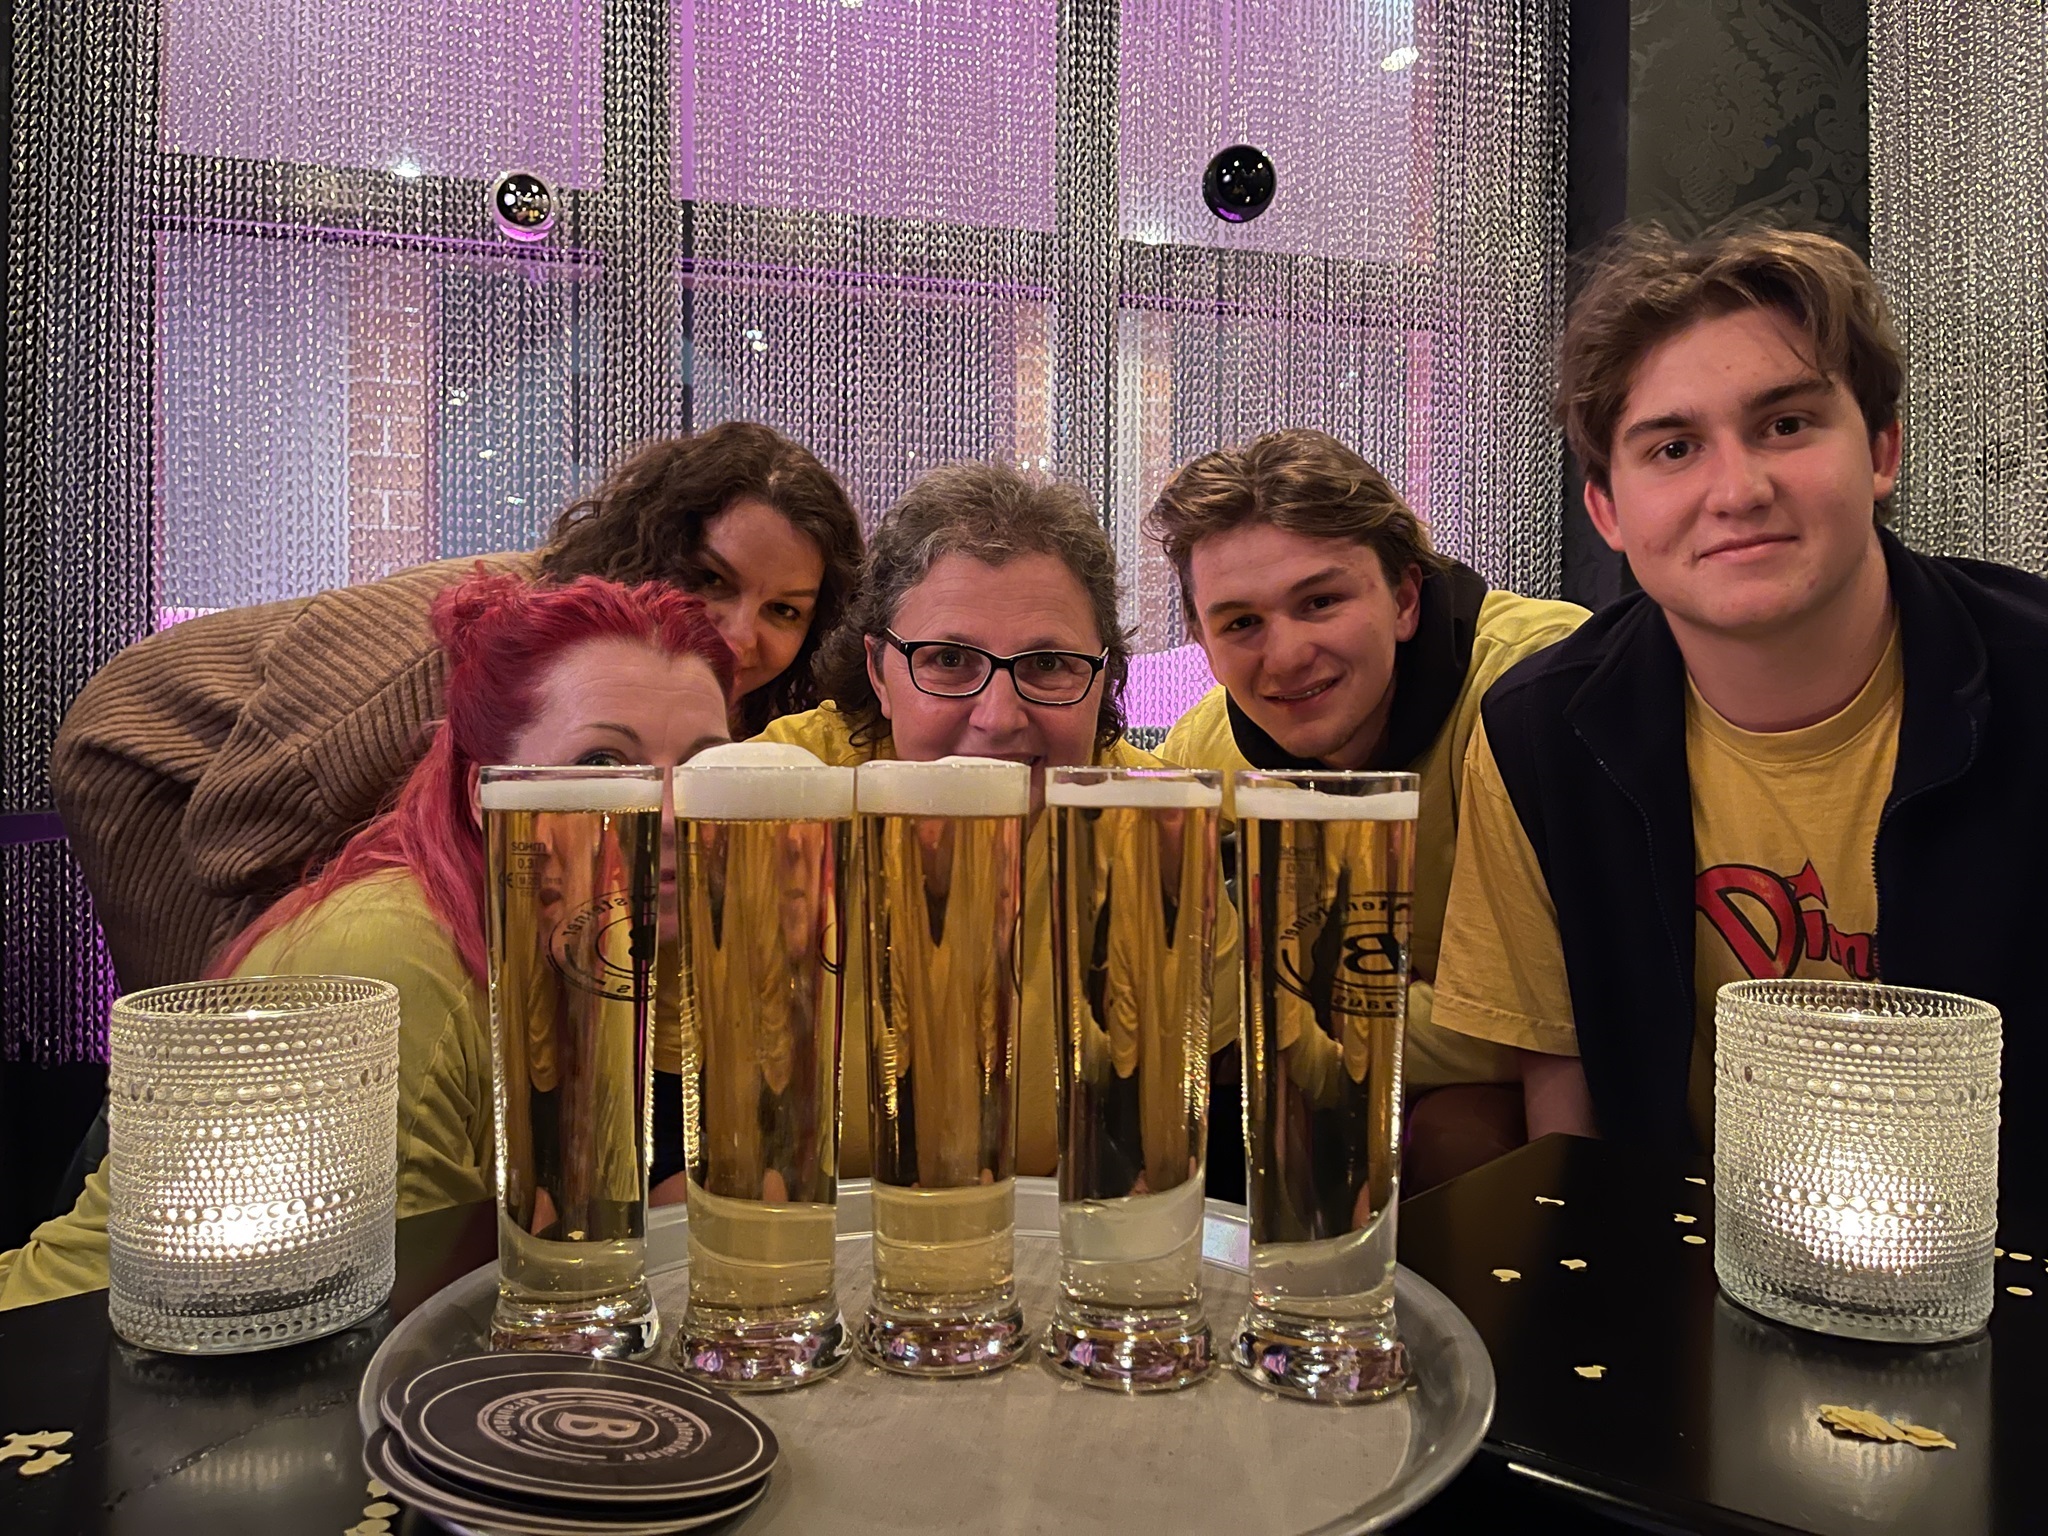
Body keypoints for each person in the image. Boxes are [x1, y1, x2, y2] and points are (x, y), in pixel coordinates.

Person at [1432, 223, 2048, 1184]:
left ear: (1881, 450)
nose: (1738, 490)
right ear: (1608, 510)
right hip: (1678, 1249)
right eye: (1674, 448)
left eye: (1787, 425)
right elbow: (1568, 1104)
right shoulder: (1537, 734)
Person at [0, 571, 736, 1309]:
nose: (672, 816)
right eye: (602, 763)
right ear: (489, 794)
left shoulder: (611, 941)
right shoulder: (392, 956)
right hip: (80, 1350)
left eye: (704, 767)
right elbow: (385, 1314)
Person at [51, 421, 861, 995]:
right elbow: (233, 839)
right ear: (650, 549)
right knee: (239, 1032)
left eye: (784, 610)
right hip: (153, 764)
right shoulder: (471, 652)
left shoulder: (679, 690)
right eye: (712, 580)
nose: (741, 635)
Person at [756, 460, 1240, 1178]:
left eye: (1048, 664)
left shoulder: (1156, 825)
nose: (999, 716)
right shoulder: (772, 804)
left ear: (1103, 678)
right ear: (880, 673)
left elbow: (1183, 1146)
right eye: (949, 659)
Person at [1144, 429, 1585, 1187]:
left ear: (1406, 597)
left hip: (1581, 1098)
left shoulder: (1540, 687)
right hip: (1355, 1094)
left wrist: (1300, 1014)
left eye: (1320, 602)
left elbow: (1569, 1013)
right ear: (1202, 643)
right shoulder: (1204, 752)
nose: (1286, 656)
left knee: (1459, 1137)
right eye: (1241, 623)